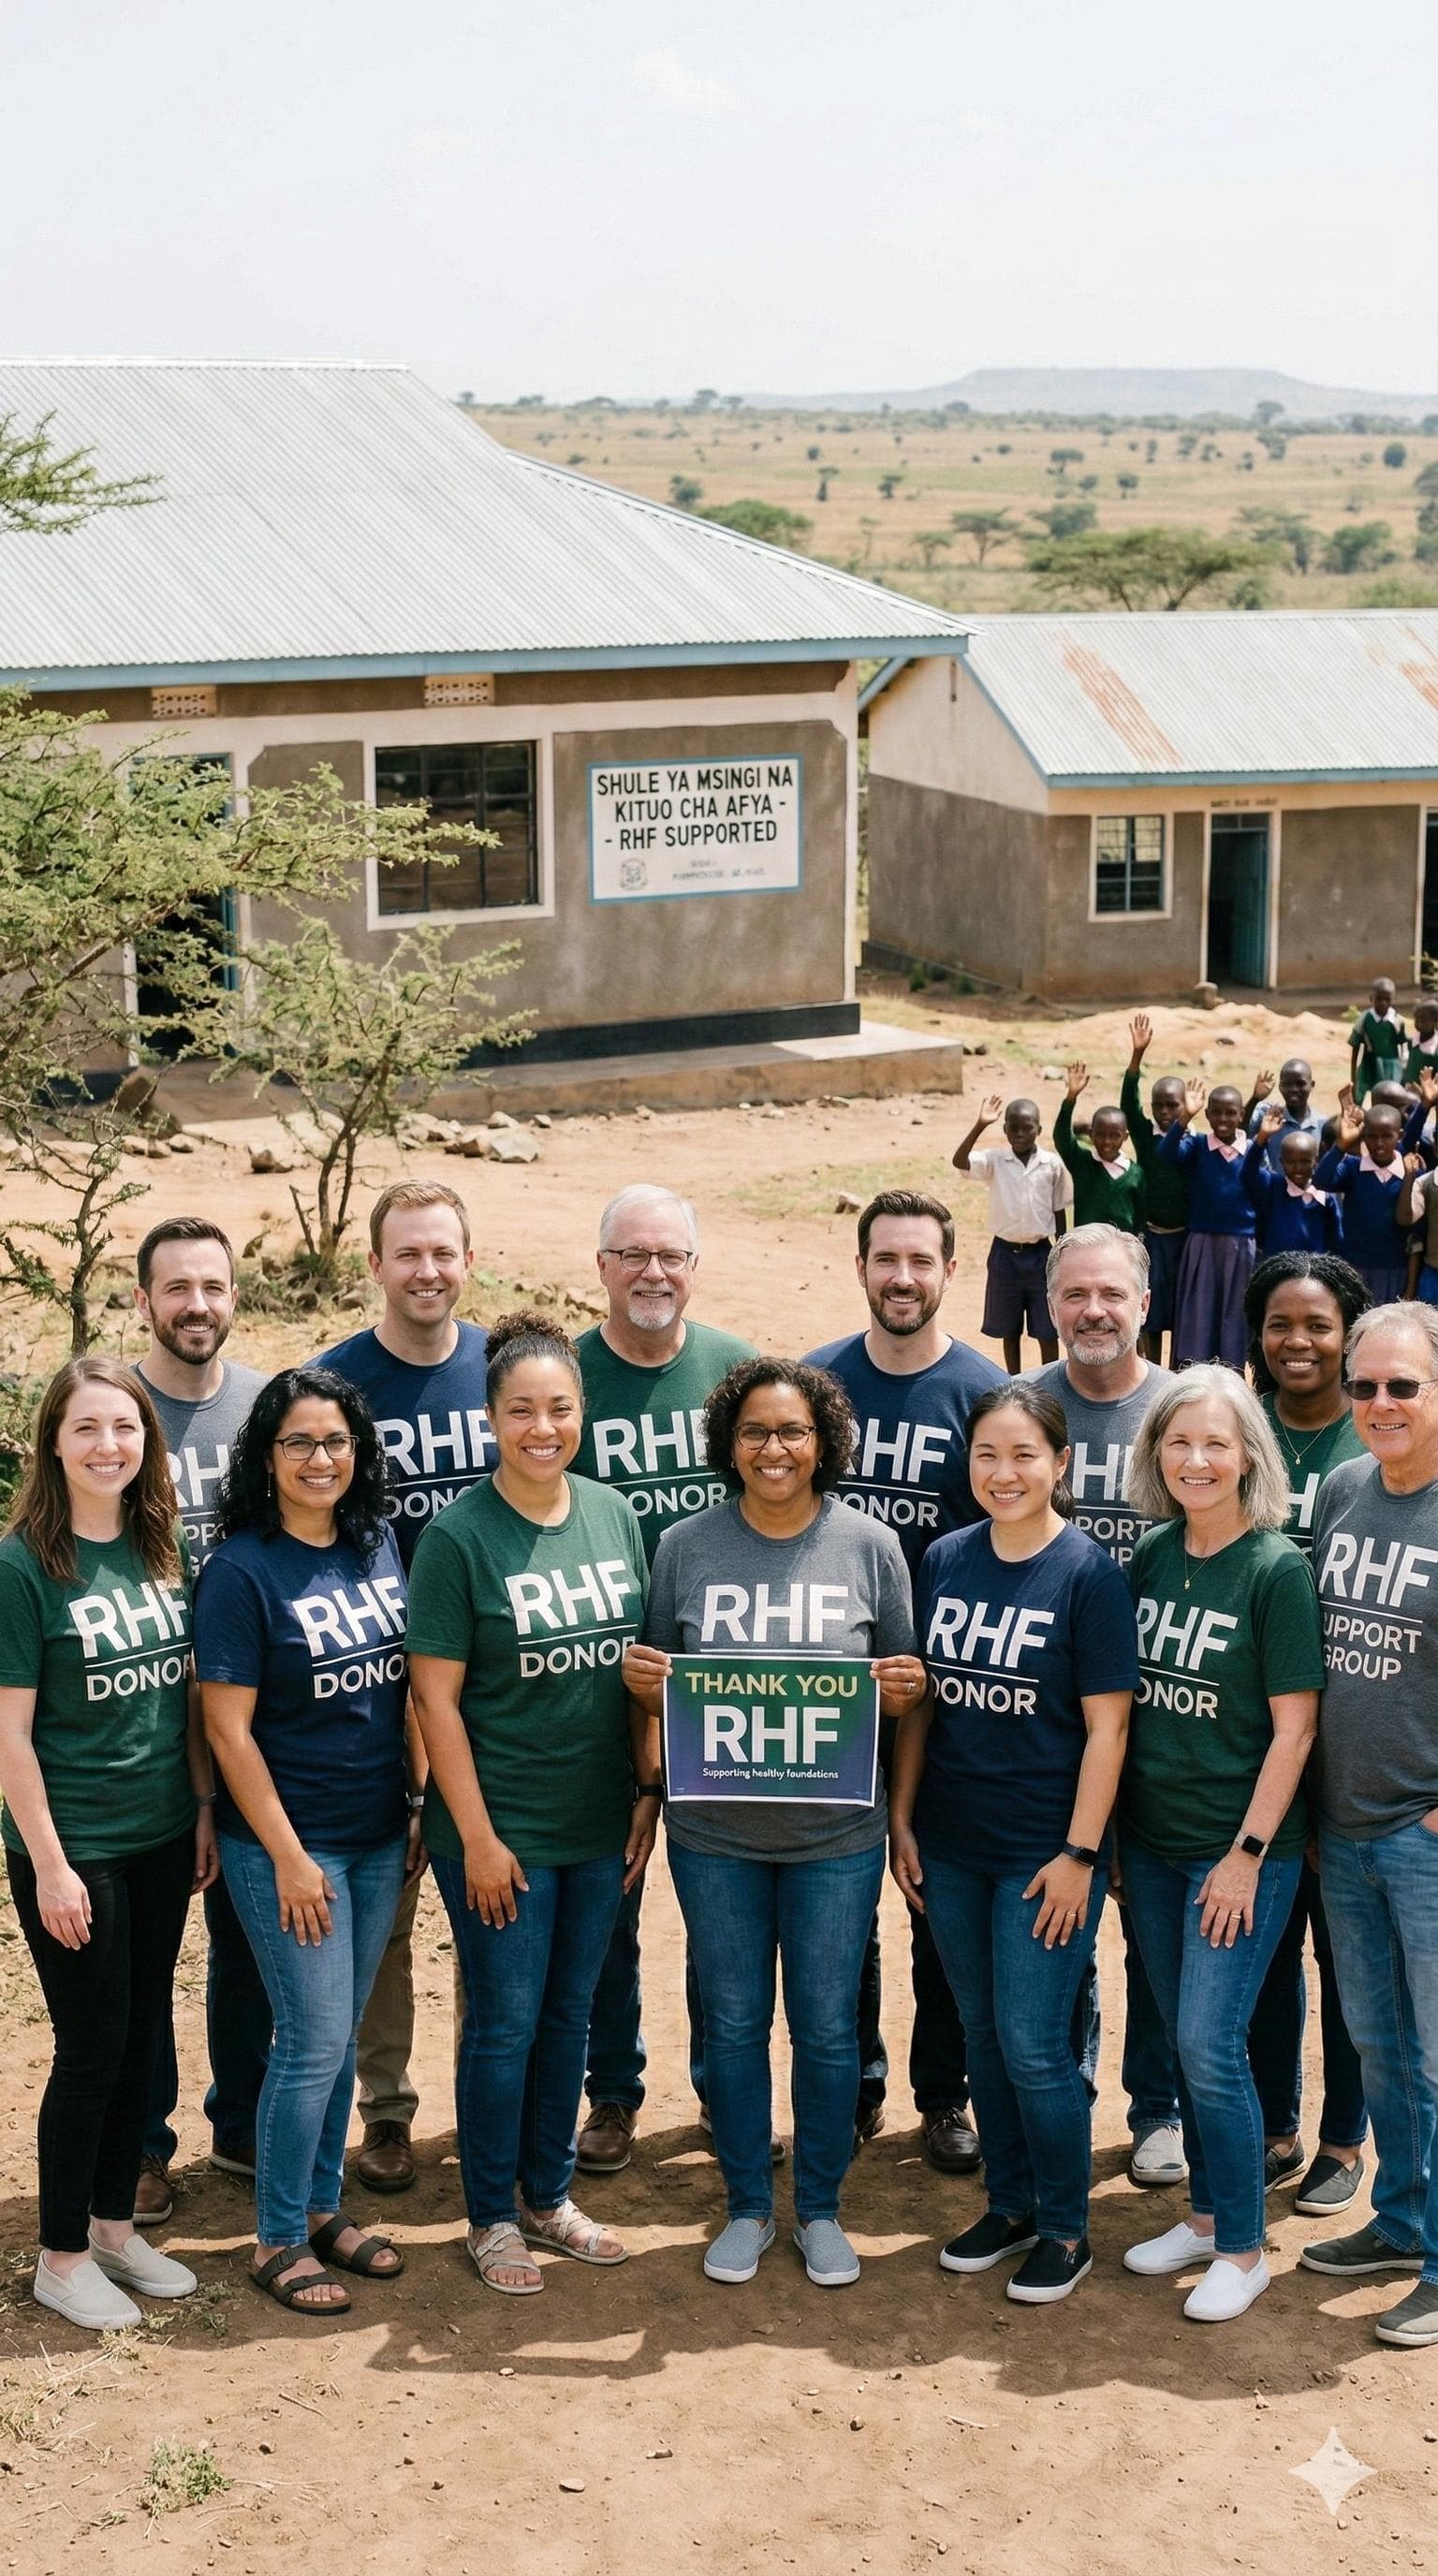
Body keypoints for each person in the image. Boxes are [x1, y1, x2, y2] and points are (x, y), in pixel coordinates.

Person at [626, 1357, 923, 2289]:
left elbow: (903, 1692)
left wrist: (907, 1693)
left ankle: (823, 2208)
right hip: (714, 1836)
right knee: (736, 2021)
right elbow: (655, 1702)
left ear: (822, 1440)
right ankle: (751, 2203)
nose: (775, 1448)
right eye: (755, 1431)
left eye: (793, 1430)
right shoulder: (683, 1545)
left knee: (830, 2028)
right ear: (728, 1442)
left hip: (837, 1838)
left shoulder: (871, 1547)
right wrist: (643, 1694)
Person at [407, 1313, 655, 2296]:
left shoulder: (613, 1514)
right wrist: (472, 1835)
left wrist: (645, 1791)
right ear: (492, 1418)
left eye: (559, 1408)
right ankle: (488, 2215)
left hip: (598, 1822)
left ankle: (548, 2197)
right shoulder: (458, 1538)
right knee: (503, 2022)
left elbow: (631, 1675)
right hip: (502, 1832)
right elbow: (435, 1698)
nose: (541, 1426)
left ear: (582, 1414)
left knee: (571, 2015)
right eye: (522, 1410)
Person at [890, 1384, 1136, 2305]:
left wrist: (1080, 1855)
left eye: (1025, 1454)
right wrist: (902, 1815)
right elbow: (923, 1707)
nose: (1004, 1472)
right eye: (988, 1454)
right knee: (985, 2036)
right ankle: (1013, 2202)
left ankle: (1067, 2228)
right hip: (952, 1844)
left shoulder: (1089, 1576)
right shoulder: (946, 1558)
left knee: (1036, 2043)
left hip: (1045, 1855)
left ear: (1060, 1462)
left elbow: (1109, 1732)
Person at [198, 1368, 412, 2317]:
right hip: (291, 1845)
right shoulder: (241, 1568)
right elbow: (229, 1730)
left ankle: (324, 2208)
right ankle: (278, 2235)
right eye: (298, 1443)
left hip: (375, 1835)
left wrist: (410, 1809)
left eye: (334, 1441)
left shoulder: (377, 1545)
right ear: (266, 1457)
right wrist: (287, 1854)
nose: (320, 1458)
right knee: (314, 2037)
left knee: (339, 2037)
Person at [0, 1359, 209, 2331]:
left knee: (143, 2032)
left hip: (163, 1831)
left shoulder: (157, 1544)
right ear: (54, 1441)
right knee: (91, 2047)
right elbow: (8, 1732)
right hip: (75, 1843)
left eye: (124, 1427)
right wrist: (47, 1860)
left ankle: (116, 2227)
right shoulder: (22, 1566)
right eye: (86, 1428)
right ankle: (60, 2255)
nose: (108, 1446)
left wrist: (202, 1809)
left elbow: (181, 1700)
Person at [1119, 1368, 1324, 2322]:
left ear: (1249, 1455)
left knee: (1209, 2041)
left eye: (1216, 1443)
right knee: (1174, 2033)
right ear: (1156, 1454)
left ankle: (1244, 2247)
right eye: (1178, 1443)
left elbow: (1294, 1729)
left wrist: (1247, 1850)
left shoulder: (1276, 1570)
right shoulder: (1153, 1556)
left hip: (1237, 1854)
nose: (1197, 1460)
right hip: (1152, 1846)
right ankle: (1203, 2217)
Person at [806, 1188, 1003, 2173]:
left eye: (920, 1260)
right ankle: (853, 2087)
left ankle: (946, 2094)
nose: (902, 1277)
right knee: (842, 1907)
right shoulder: (817, 1381)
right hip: (832, 1693)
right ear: (862, 1267)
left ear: (948, 1271)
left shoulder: (982, 1389)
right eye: (886, 1259)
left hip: (947, 1694)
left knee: (935, 1900)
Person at [315, 1178, 494, 2195]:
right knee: (382, 1916)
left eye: (444, 1252)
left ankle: (487, 2100)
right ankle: (386, 2113)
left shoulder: (501, 1370)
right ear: (375, 1265)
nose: (428, 1271)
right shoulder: (333, 1383)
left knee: (489, 1899)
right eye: (408, 1254)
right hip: (370, 1687)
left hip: (493, 1689)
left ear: (468, 1261)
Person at [570, 1185, 754, 2174]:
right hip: (602, 1680)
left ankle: (738, 2094)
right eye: (632, 1253)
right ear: (600, 1266)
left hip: (726, 1685)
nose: (653, 1271)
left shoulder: (736, 1371)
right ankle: (613, 2090)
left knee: (733, 1903)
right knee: (614, 1900)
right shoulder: (570, 1377)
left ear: (694, 1265)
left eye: (670, 1255)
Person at [1032, 1224, 1185, 2188]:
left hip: (1171, 1711)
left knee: (1159, 1920)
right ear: (1050, 1304)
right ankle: (1065, 2093)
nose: (1094, 1310)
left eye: (1112, 1294)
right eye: (1075, 1294)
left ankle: (1161, 2107)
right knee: (1065, 1904)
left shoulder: (1186, 1405)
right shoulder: (1020, 1406)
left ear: (1143, 1303)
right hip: (1054, 1717)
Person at [1303, 1302, 1438, 2346]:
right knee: (1380, 2045)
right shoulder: (1346, 1488)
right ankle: (1399, 2222)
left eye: (1403, 1385)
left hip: (1424, 1835)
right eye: (1367, 1386)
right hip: (1344, 1828)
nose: (1380, 1404)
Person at [132, 1216, 271, 2224]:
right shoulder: (111, 1409)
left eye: (213, 1286)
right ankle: (143, 2142)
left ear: (235, 1294)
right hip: (138, 1724)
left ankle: (244, 2122)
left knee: (251, 1940)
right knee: (143, 1948)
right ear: (144, 1300)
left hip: (256, 1720)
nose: (196, 1305)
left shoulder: (267, 1406)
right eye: (176, 1288)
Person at [1243, 1253, 1372, 2217]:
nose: (1298, 1341)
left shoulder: (1376, 1442)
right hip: (1252, 1742)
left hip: (1352, 1745)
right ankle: (1275, 2122)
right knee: (1265, 1945)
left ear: (1349, 1334)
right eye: (1280, 1322)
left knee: (1349, 1956)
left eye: (1318, 1324)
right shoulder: (1239, 1439)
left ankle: (1343, 2136)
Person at [952, 1093, 1071, 1371]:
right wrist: (981, 1124)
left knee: (1046, 1328)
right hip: (1005, 1254)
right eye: (1013, 1127)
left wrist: (1062, 1248)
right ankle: (1014, 1380)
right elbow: (960, 1162)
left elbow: (1058, 1210)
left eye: (1027, 1127)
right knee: (1009, 1328)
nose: (1019, 1133)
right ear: (1004, 1129)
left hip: (1042, 1252)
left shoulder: (1051, 1164)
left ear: (1039, 1130)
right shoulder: (995, 1160)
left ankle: (1049, 1381)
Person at [1156, 1079, 1258, 1368]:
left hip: (1241, 1244)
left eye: (1230, 1113)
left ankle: (1231, 1376)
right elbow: (1166, 1153)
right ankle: (1193, 1375)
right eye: (1216, 1112)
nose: (1223, 1119)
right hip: (1202, 1241)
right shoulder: (1199, 1145)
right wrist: (1185, 1116)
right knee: (1199, 1313)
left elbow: (1263, 1191)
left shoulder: (1253, 1150)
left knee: (1234, 1315)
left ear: (1241, 1115)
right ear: (1208, 1115)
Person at [1122, 1016, 1189, 1367]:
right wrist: (1137, 1056)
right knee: (1152, 1306)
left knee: (1181, 1308)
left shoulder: (1193, 1144)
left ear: (1185, 1105)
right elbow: (1128, 1104)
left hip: (1184, 1240)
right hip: (1152, 1237)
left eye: (1172, 1105)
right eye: (1159, 1106)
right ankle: (1151, 1368)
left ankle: (1176, 1375)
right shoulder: (1145, 1138)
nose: (1165, 1112)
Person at [1314, 1097, 1414, 1303]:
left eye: (1387, 1136)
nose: (1378, 1143)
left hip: (1393, 1266)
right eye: (1371, 1136)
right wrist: (1341, 1145)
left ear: (1400, 1136)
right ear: (1362, 1136)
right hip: (1355, 1264)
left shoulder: (1409, 1171)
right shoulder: (1353, 1167)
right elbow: (1321, 1180)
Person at [1054, 1065, 1146, 1234]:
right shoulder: (1082, 1162)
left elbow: (1140, 1217)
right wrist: (1071, 1098)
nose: (1107, 1141)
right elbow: (1061, 1138)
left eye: (1114, 1135)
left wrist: (1138, 1245)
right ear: (1090, 1134)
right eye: (1101, 1135)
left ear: (1125, 1136)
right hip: (1086, 1248)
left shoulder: (1136, 1173)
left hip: (1121, 1251)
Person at [1241, 1113, 1343, 1257]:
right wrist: (1261, 1139)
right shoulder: (1273, 1185)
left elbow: (1335, 1238)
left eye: (1305, 1161)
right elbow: (1249, 1173)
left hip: (1312, 1272)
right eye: (1290, 1162)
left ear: (1316, 1160)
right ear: (1282, 1163)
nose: (1298, 1168)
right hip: (1277, 1269)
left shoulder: (1324, 1197)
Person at [1246, 1060, 1324, 1172]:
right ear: (1280, 1087)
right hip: (1274, 1188)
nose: (1294, 1089)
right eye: (1287, 1084)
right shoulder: (1269, 1118)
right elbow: (1239, 1133)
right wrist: (1255, 1099)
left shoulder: (1322, 1125)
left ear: (1312, 1085)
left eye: (1300, 1084)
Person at [1351, 977, 1407, 1106]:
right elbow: (1355, 1048)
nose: (1383, 1003)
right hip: (1369, 1064)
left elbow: (1403, 1048)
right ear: (1371, 998)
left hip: (1391, 1067)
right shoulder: (1364, 1019)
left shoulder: (1397, 1021)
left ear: (1393, 1000)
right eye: (1379, 999)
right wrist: (1353, 1079)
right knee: (1357, 1099)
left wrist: (1404, 1073)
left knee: (1390, 1099)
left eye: (1387, 999)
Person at [1405, 999, 1438, 1088]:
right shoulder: (1413, 1041)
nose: (1418, 1023)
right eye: (1416, 1019)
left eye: (1423, 1020)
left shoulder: (1435, 1048)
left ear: (1435, 1021)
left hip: (1428, 1094)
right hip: (1409, 1089)